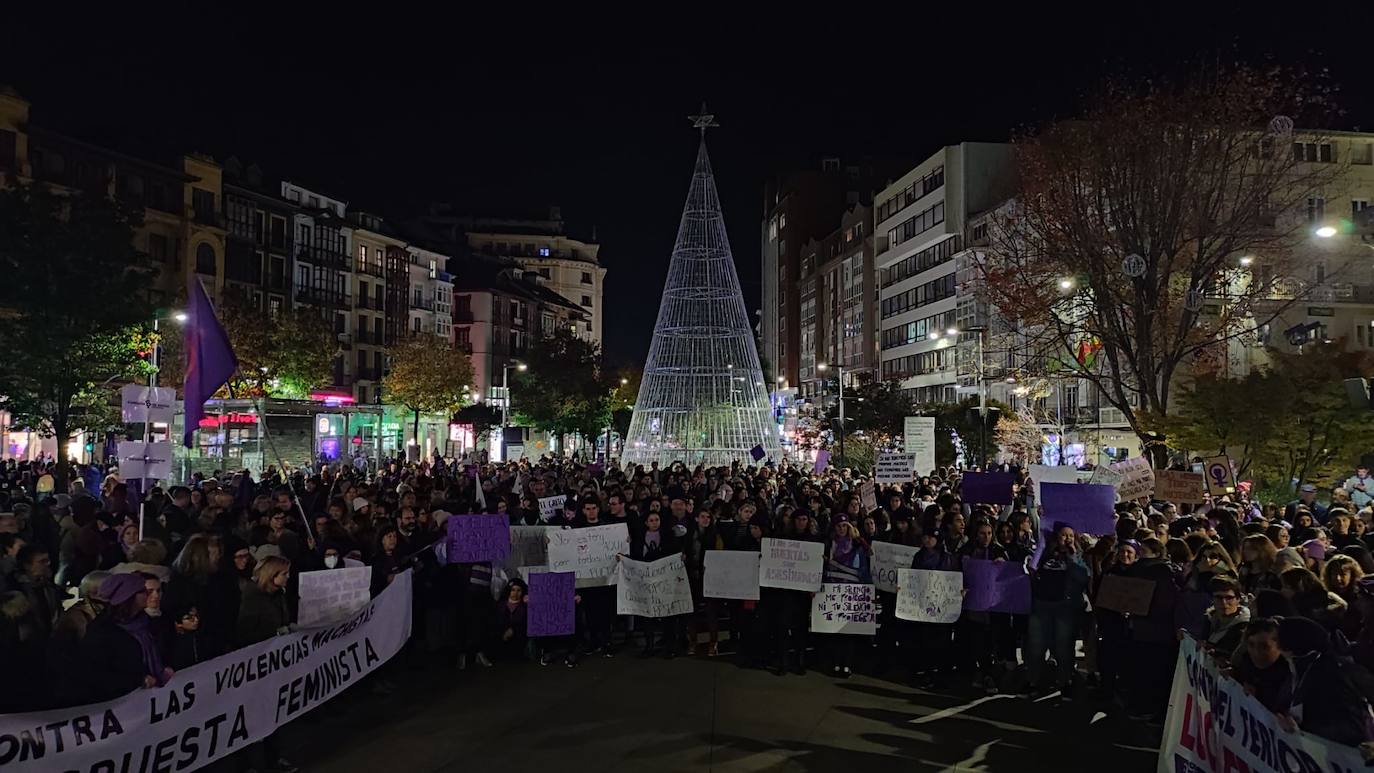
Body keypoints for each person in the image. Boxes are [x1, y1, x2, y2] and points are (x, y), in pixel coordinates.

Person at [79, 573, 172, 703]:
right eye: (142, 591)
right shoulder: (102, 632)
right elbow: (98, 674)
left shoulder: (148, 623)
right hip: (125, 702)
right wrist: (138, 680)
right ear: (129, 596)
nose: (148, 594)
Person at [1023, 523, 1088, 698]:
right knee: (1036, 646)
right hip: (1041, 605)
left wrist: (1073, 556)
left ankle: (1065, 681)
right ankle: (1033, 681)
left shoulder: (1077, 555)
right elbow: (1032, 569)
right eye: (1064, 535)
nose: (1067, 539)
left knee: (1063, 647)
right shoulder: (1044, 552)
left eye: (1070, 536)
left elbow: (1083, 577)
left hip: (1064, 608)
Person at [820, 516, 871, 678]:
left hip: (852, 592)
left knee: (849, 630)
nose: (841, 529)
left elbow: (863, 568)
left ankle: (847, 664)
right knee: (835, 629)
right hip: (833, 590)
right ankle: (836, 662)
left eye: (844, 525)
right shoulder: (830, 545)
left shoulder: (857, 545)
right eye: (838, 526)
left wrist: (867, 589)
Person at [1229, 618, 1293, 715]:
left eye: (1264, 646)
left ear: (1280, 646)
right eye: (1251, 644)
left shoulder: (1291, 678)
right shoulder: (1246, 663)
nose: (1256, 652)